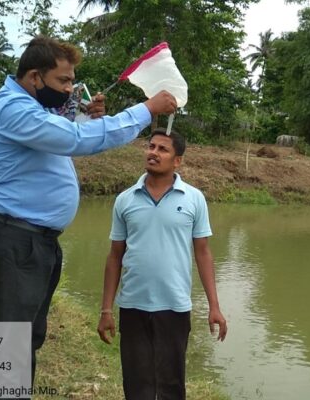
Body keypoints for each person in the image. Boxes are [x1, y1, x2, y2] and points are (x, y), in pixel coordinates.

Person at [0, 35, 177, 386]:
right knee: (12, 345)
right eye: (63, 81)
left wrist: (85, 116)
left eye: (71, 81)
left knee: (27, 338)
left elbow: (68, 133)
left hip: (36, 241)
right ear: (34, 77)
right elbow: (75, 140)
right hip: (15, 238)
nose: (70, 89)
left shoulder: (34, 108)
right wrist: (147, 110)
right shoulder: (12, 108)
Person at [97, 128, 228, 400]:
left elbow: (203, 253)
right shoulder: (125, 199)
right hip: (133, 304)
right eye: (151, 146)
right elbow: (114, 256)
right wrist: (106, 309)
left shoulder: (193, 199)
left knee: (171, 385)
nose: (153, 153)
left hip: (175, 305)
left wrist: (214, 306)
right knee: (136, 384)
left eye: (162, 149)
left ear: (177, 160)